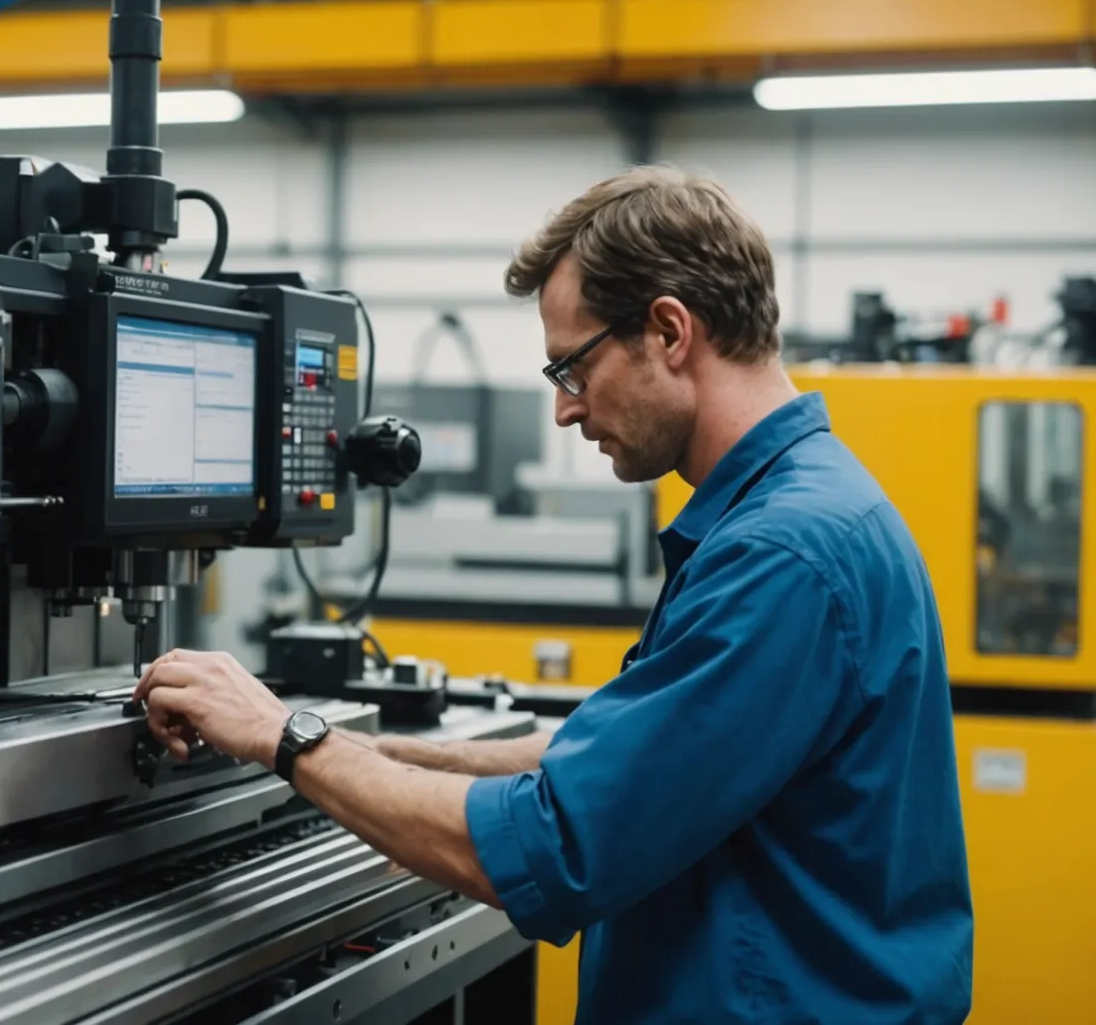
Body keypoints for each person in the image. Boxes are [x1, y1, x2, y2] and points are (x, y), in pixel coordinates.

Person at [132, 164, 974, 1024]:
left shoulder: (781, 556)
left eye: (572, 369)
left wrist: (287, 736)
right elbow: (624, 767)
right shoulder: (805, 510)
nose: (567, 412)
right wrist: (385, 760)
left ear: (670, 332)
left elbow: (560, 843)